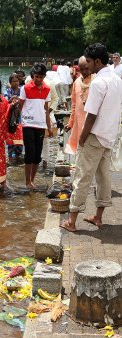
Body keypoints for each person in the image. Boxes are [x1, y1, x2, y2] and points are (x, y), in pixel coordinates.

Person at [60, 43, 122, 232]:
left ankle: (71, 221)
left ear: (97, 61)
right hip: (109, 134)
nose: (86, 66)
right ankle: (98, 217)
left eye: (88, 62)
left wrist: (82, 137)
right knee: (104, 177)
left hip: (95, 135)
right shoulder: (117, 79)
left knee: (82, 177)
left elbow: (91, 115)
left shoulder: (98, 82)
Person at [19, 63, 52, 189]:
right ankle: (27, 181)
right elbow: (20, 107)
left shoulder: (47, 89)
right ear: (33, 76)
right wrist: (18, 123)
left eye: (41, 77)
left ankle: (32, 180)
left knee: (38, 155)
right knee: (29, 153)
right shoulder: (25, 88)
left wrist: (49, 127)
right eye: (36, 77)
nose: (38, 79)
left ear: (44, 77)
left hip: (40, 125)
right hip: (27, 124)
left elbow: (46, 110)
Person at [64, 56, 95, 155]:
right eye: (82, 69)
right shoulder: (77, 82)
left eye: (86, 68)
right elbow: (74, 106)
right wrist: (70, 123)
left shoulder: (97, 81)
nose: (85, 71)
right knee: (80, 153)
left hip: (93, 125)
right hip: (79, 123)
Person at [4, 73, 23, 162]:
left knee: (19, 135)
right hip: (11, 116)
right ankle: (10, 156)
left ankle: (18, 155)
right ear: (10, 82)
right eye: (13, 81)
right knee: (11, 135)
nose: (16, 83)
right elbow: (4, 102)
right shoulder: (8, 91)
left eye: (17, 81)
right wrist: (11, 99)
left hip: (20, 116)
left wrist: (18, 99)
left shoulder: (22, 91)